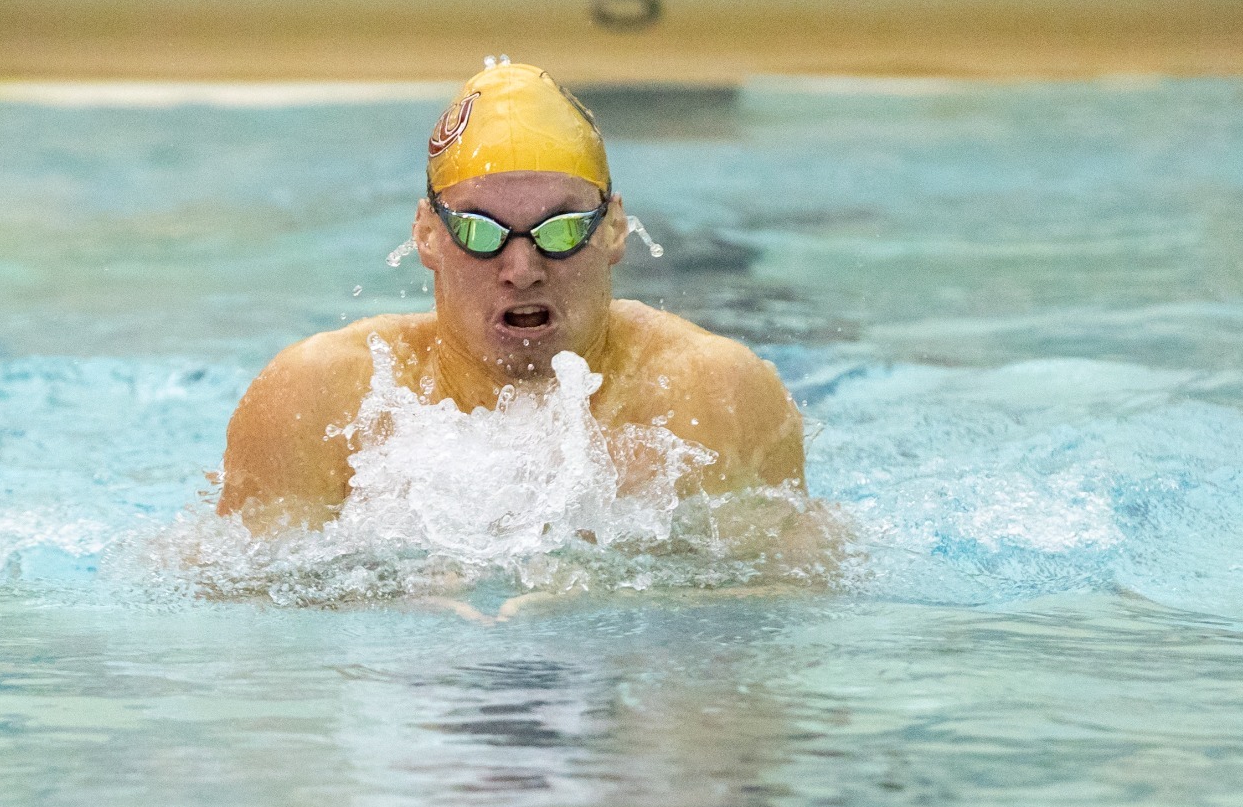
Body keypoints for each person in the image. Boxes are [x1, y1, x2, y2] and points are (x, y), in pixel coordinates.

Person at [216, 61, 805, 534]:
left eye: (562, 229)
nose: (522, 269)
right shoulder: (318, 400)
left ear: (613, 228)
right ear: (427, 234)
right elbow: (238, 622)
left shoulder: (714, 396)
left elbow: (783, 602)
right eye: (479, 231)